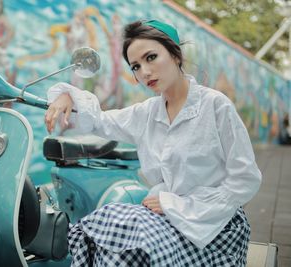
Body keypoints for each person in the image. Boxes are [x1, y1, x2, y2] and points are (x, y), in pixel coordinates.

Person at [45, 19, 261, 266]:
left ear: (175, 55)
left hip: (216, 229)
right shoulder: (147, 113)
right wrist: (66, 95)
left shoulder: (215, 106)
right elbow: (100, 121)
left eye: (151, 57)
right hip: (167, 221)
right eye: (135, 66)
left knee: (121, 232)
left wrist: (177, 204)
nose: (144, 72)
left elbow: (245, 180)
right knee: (104, 232)